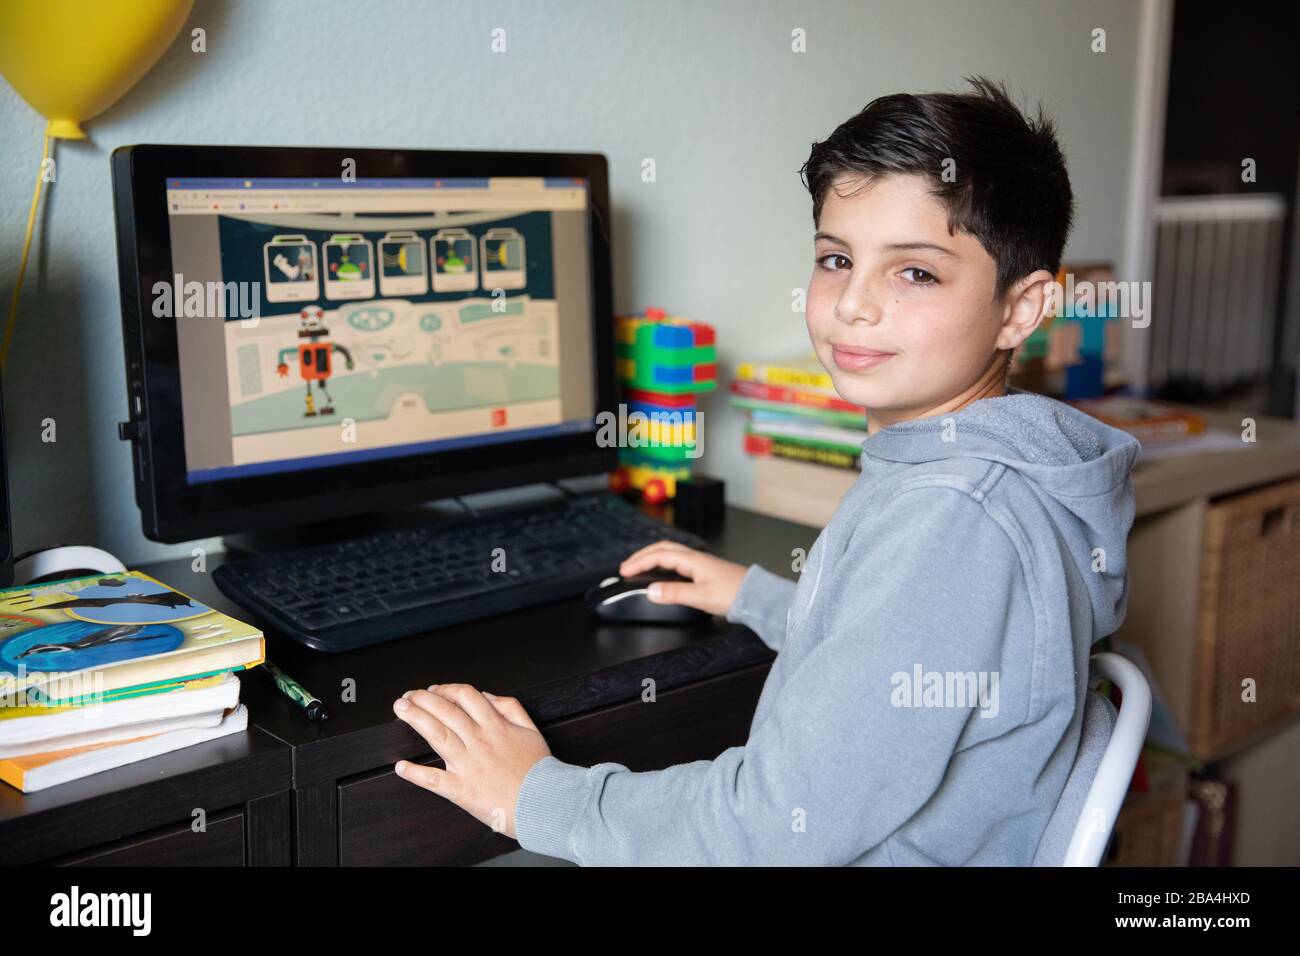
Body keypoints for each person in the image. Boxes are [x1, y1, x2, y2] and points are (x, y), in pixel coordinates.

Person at [390, 76, 1139, 865]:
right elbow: (917, 641)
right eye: (836, 258)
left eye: (915, 272)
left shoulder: (952, 514)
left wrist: (538, 797)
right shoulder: (997, 464)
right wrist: (757, 596)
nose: (854, 303)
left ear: (1022, 309)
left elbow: (777, 824)